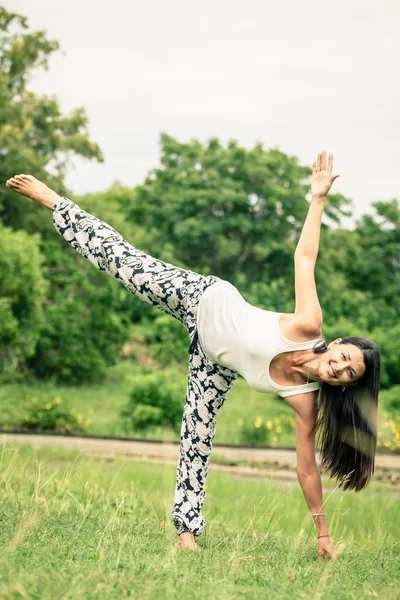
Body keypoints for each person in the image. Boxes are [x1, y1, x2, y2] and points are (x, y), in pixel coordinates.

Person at [5, 151, 380, 558]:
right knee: (126, 264)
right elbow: (304, 258)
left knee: (196, 437)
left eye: (348, 375)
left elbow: (307, 468)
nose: (339, 368)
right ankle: (54, 202)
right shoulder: (308, 325)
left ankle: (187, 532)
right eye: (345, 358)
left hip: (214, 360)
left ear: (346, 386)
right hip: (203, 298)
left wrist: (323, 535)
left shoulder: (305, 401)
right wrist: (318, 199)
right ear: (339, 344)